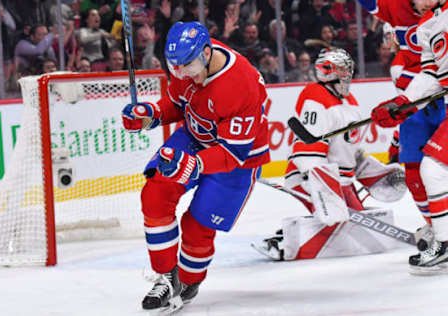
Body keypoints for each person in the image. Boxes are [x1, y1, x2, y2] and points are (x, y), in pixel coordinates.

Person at [121, 21, 270, 312]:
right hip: (194, 136)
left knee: (197, 226)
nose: (181, 75)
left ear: (206, 52)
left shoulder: (240, 84)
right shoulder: (186, 61)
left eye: (187, 67)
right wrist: (151, 114)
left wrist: (192, 164)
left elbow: (233, 153)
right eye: (174, 68)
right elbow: (178, 103)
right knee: (155, 194)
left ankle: (188, 282)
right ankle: (167, 277)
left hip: (238, 159)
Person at [252, 48, 406, 261]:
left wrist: (373, 172)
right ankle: (283, 242)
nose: (347, 73)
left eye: (347, 68)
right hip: (309, 177)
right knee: (337, 219)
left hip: (340, 179)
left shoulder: (348, 99)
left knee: (356, 221)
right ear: (328, 71)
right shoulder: (315, 97)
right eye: (342, 69)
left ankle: (298, 232)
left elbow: (349, 147)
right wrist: (322, 188)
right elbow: (308, 151)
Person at [357, 0, 447, 267]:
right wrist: (401, 105)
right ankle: (441, 238)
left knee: (434, 169)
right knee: (428, 169)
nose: (417, 3)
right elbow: (431, 76)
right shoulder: (427, 25)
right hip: (429, 108)